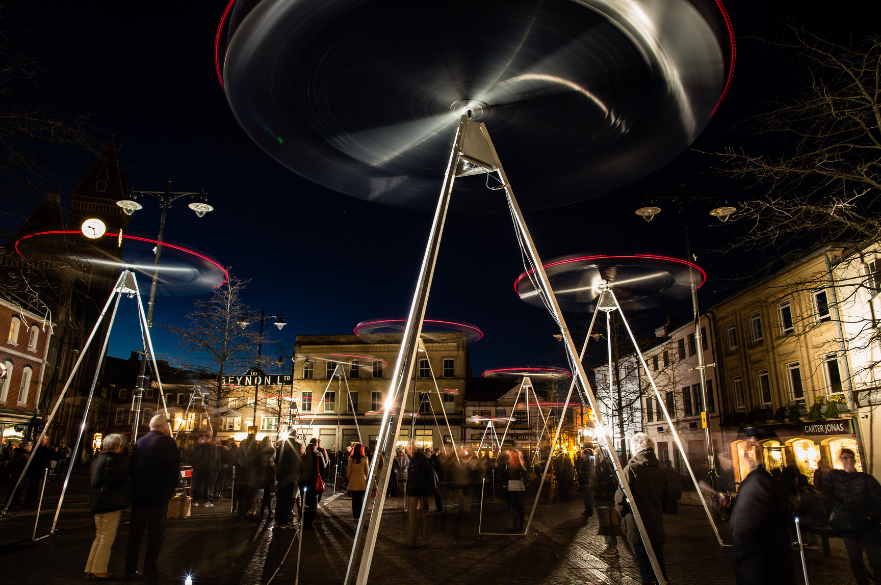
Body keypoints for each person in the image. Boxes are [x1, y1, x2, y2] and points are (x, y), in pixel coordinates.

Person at [729, 435, 795, 585]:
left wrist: (742, 533)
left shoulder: (760, 481)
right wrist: (732, 506)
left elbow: (762, 514)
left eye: (753, 447)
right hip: (752, 559)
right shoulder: (755, 479)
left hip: (760, 561)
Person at [124, 414, 181, 580]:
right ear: (163, 426)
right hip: (158, 496)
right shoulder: (168, 442)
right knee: (155, 535)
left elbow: (132, 468)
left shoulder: (140, 442)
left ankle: (129, 569)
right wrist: (169, 491)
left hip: (139, 495)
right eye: (167, 425)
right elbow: (173, 470)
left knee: (135, 535)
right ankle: (149, 568)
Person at [615, 433, 669, 585]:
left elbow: (620, 499)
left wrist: (623, 515)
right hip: (656, 523)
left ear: (635, 449)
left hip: (637, 523)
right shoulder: (660, 470)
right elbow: (667, 498)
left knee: (644, 566)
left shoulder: (630, 469)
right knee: (659, 564)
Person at [822, 448, 881, 585]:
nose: (848, 460)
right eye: (845, 457)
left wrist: (870, 517)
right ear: (840, 459)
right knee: (855, 560)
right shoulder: (834, 476)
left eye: (850, 457)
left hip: (868, 526)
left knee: (876, 560)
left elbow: (879, 499)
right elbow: (825, 493)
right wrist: (837, 508)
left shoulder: (866, 479)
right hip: (848, 525)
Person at [85, 433, 129, 581]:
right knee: (106, 538)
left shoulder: (99, 458)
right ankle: (99, 569)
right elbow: (117, 480)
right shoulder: (114, 460)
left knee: (99, 536)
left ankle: (90, 568)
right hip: (109, 503)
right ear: (116, 447)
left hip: (98, 501)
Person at [405, 444, 434, 547]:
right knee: (413, 516)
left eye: (407, 450)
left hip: (420, 491)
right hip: (415, 490)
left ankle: (421, 539)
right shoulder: (414, 458)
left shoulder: (420, 458)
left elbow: (427, 474)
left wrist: (414, 484)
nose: (406, 452)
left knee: (421, 515)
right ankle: (413, 539)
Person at [593, 449, 620, 557]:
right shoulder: (608, 466)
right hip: (606, 497)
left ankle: (612, 547)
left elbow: (603, 481)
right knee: (607, 524)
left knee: (606, 524)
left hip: (604, 498)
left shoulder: (603, 468)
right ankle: (611, 546)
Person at [274, 433, 302, 529]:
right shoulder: (293, 446)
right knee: (287, 499)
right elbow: (295, 462)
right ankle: (284, 521)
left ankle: (277, 520)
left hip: (281, 476)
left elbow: (276, 460)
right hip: (289, 477)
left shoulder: (282, 445)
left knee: (280, 499)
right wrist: (296, 476)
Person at [506, 450, 528, 532]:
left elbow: (525, 473)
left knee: (518, 506)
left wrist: (522, 475)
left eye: (513, 456)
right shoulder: (510, 465)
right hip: (513, 484)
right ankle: (517, 525)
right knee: (516, 506)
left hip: (516, 485)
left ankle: (519, 525)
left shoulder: (517, 465)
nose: (512, 457)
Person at [5, 441, 31, 509]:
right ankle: (10, 502)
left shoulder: (26, 454)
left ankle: (15, 501)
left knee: (19, 488)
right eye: (29, 445)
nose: (31, 446)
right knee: (14, 488)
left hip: (22, 474)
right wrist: (10, 471)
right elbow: (14, 463)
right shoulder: (21, 454)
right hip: (17, 474)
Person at [347, 443, 369, 520]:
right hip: (361, 481)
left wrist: (350, 477)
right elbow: (367, 471)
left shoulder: (351, 458)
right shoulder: (364, 459)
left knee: (354, 499)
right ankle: (359, 516)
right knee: (360, 499)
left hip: (353, 480)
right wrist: (365, 477)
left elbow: (348, 471)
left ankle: (355, 515)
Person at [256, 436, 276, 519]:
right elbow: (275, 460)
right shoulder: (272, 450)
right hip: (270, 473)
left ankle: (265, 511)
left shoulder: (259, 451)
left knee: (266, 493)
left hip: (261, 473)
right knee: (267, 493)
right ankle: (266, 511)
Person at [577, 449, 593, 517]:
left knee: (587, 496)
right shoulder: (588, 462)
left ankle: (588, 510)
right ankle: (589, 509)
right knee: (587, 496)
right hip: (585, 481)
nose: (581, 454)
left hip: (585, 482)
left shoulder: (586, 462)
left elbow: (585, 472)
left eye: (583, 453)